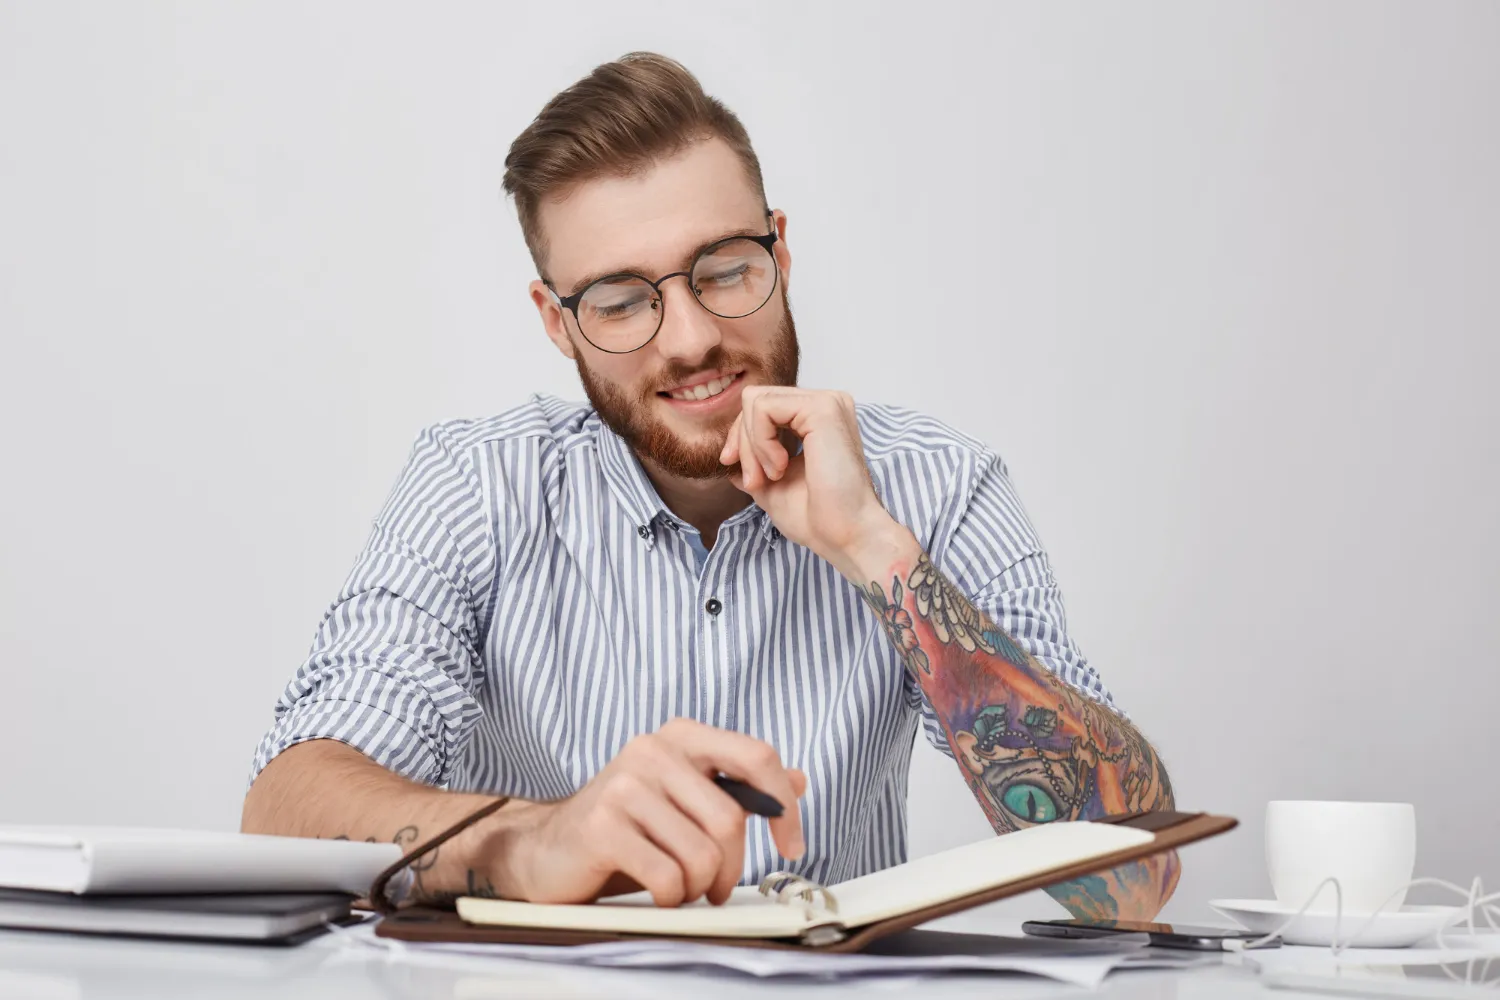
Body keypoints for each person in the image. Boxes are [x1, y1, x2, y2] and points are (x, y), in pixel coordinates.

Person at [242, 52, 1179, 920]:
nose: (688, 338)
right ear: (557, 324)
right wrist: (536, 842)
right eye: (619, 301)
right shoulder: (476, 485)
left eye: (725, 270)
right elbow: (286, 807)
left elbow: (1127, 882)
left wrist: (879, 553)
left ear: (779, 248)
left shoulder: (940, 484)